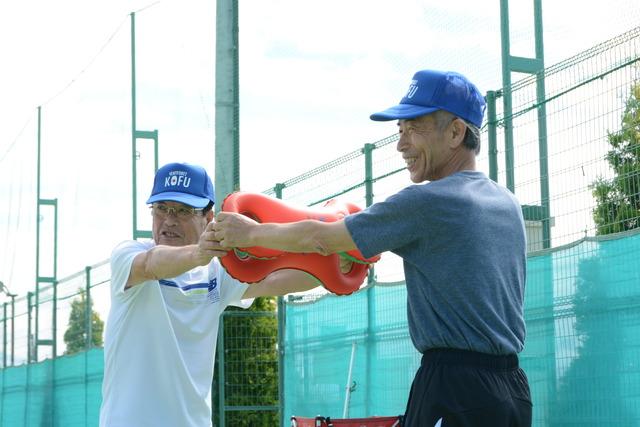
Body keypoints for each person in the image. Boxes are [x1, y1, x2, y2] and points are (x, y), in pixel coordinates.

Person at [213, 69, 532, 426]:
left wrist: (250, 234)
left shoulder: (427, 202)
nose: (401, 144)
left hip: (454, 387)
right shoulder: (507, 204)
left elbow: (321, 238)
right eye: (400, 131)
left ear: (456, 132)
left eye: (414, 129)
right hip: (513, 390)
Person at [99, 162, 322, 427]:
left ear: (208, 218)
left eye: (183, 211)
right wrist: (199, 254)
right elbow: (150, 264)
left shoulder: (218, 272)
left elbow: (276, 281)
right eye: (161, 209)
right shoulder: (128, 255)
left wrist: (335, 268)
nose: (169, 220)